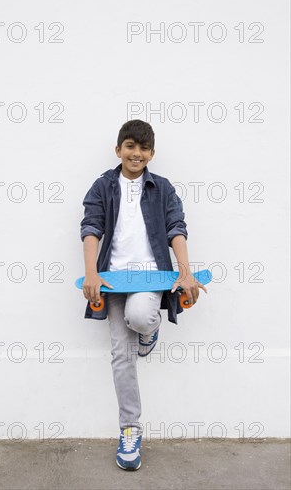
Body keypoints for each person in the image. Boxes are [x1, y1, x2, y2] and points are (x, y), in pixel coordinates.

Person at [79, 119, 207, 471]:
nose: (137, 154)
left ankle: (150, 332)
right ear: (118, 149)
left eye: (143, 148)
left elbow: (175, 228)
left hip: (152, 276)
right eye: (130, 147)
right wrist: (92, 272)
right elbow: (91, 227)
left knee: (141, 317)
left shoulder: (162, 188)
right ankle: (130, 430)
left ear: (152, 153)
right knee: (122, 355)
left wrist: (184, 270)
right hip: (114, 279)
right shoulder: (103, 185)